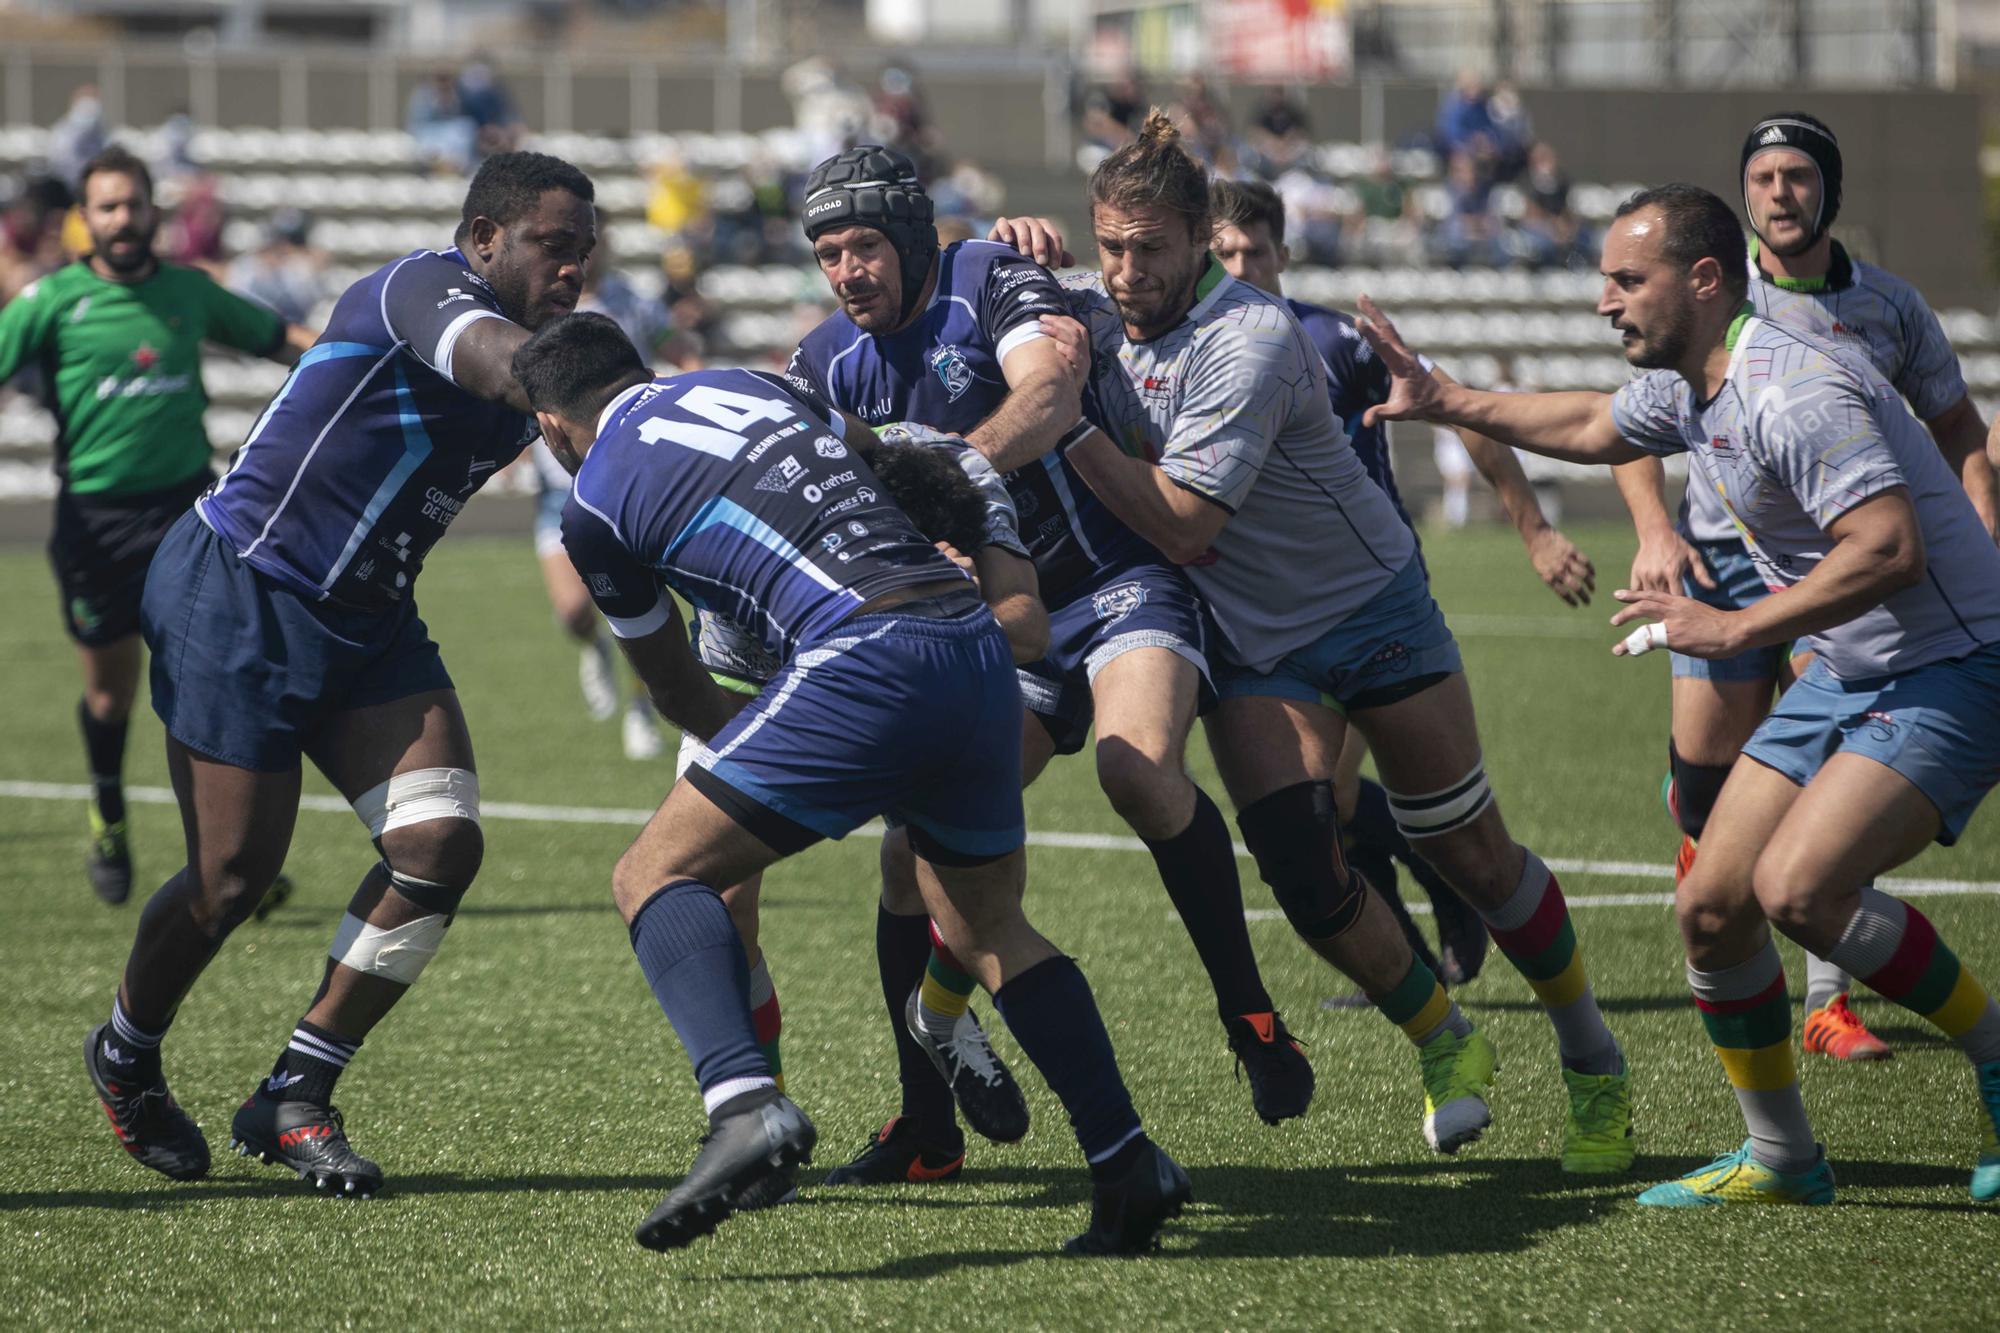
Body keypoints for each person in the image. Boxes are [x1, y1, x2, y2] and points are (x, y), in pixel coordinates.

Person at [1358, 181, 2000, 1206]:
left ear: (1702, 281)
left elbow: (1888, 546)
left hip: (1954, 662)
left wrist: (1737, 627)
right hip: (1850, 661)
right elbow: (1586, 421)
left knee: (1797, 890)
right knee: (1709, 905)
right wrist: (1442, 397)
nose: (1602, 301)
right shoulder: (1689, 381)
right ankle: (1783, 1155)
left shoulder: (1790, 387)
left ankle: (1994, 1053)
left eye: (1625, 279)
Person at [514, 312, 1191, 1253]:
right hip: (973, 645)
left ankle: (745, 1104)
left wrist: (783, 756)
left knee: (654, 876)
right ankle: (1127, 1164)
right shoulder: (753, 380)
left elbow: (675, 686)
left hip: (861, 653)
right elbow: (903, 459)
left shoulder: (591, 504)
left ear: (551, 427)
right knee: (992, 929)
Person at [1052, 113, 1635, 1175]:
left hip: (1369, 610)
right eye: (1108, 248)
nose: (1126, 272)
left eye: (1150, 250)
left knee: (1475, 855)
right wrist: (1009, 250)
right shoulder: (1098, 315)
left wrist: (1069, 425)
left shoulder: (1254, 339)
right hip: (1252, 642)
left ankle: (1591, 1057)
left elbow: (1184, 524)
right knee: (1297, 867)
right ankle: (1443, 1040)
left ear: (1197, 239)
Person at [780, 146, 1311, 1186]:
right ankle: (925, 1129)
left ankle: (1247, 1011)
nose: (847, 271)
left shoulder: (988, 277)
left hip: (1113, 585)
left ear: (913, 235)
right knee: (907, 864)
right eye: (827, 254)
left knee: (1138, 770)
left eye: (864, 246)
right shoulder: (820, 362)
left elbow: (1050, 390)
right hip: (992, 632)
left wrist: (941, 472)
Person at [82, 151, 595, 1196]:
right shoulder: (418, 289)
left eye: (585, 253)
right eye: (553, 246)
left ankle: (294, 1093)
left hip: (369, 619)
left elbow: (578, 433)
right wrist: (597, 388)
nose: (573, 269)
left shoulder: (539, 348)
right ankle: (127, 1052)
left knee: (439, 841)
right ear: (486, 237)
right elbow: (501, 363)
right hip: (243, 589)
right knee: (230, 880)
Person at [1610, 113, 2000, 1065]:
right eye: (1762, 177)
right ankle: (1778, 1126)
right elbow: (1620, 426)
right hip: (1723, 562)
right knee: (1705, 802)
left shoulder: (1887, 311)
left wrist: (1984, 529)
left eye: (1798, 176)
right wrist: (1657, 529)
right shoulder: (1701, 306)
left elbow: (1957, 428)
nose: (1779, 192)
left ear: (1830, 191)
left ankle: (1831, 999)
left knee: (1812, 854)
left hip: (1850, 578)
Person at [1205, 177, 1598, 985]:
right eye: (1225, 251)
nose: (1242, 264)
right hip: (1275, 610)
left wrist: (1535, 529)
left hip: (1370, 596)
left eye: (1255, 250)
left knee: (1339, 801)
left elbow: (1457, 412)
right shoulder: (1186, 350)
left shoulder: (1328, 341)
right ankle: (1422, 936)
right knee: (1329, 806)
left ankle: (1438, 920)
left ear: (1283, 252)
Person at [0, 145, 315, 906]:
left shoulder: (188, 292)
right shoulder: (51, 303)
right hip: (94, 526)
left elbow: (284, 343)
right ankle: (108, 810)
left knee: (211, 685)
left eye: (133, 204)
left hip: (187, 517)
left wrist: (377, 356)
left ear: (153, 213)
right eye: (106, 207)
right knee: (111, 697)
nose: (122, 219)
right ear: (86, 219)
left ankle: (222, 862)